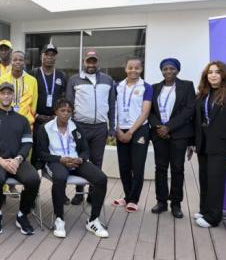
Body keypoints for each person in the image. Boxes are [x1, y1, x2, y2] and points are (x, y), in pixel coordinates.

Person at [37, 98, 108, 238]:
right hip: (55, 161)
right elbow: (42, 153)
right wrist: (60, 159)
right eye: (62, 110)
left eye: (69, 111)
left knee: (101, 178)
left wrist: (80, 159)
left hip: (75, 161)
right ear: (56, 111)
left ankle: (93, 220)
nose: (66, 114)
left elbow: (85, 150)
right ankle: (59, 219)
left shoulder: (76, 127)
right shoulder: (45, 128)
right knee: (60, 177)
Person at [0, 82, 40, 235]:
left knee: (33, 179)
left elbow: (27, 144)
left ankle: (22, 215)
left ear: (13, 96)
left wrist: (17, 160)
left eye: (9, 93)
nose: (6, 96)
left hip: (17, 161)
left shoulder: (22, 120)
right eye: (3, 93)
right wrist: (1, 162)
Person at [192, 61, 226, 228]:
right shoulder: (202, 94)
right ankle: (205, 210)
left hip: (222, 146)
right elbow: (197, 120)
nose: (213, 75)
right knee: (205, 179)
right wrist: (194, 142)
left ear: (224, 75)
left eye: (217, 72)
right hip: (203, 144)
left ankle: (213, 218)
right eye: (210, 72)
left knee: (215, 181)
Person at [65, 50, 116, 205]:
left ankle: (93, 194)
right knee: (79, 159)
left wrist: (112, 127)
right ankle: (79, 193)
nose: (91, 64)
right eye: (88, 61)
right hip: (80, 126)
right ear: (84, 62)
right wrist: (70, 127)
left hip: (100, 127)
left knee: (97, 161)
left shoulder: (108, 80)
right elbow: (69, 104)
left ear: (98, 62)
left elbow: (112, 105)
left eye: (94, 61)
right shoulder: (74, 80)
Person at [148, 58, 195, 218]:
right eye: (165, 69)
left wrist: (169, 127)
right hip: (159, 134)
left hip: (179, 134)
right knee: (160, 168)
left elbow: (189, 110)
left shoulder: (187, 86)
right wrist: (159, 127)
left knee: (177, 168)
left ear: (177, 70)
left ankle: (176, 203)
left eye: (172, 68)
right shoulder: (154, 88)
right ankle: (161, 201)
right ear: (161, 70)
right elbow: (150, 111)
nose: (168, 71)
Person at [113, 57, 153, 213]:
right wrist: (117, 130)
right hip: (120, 129)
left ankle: (134, 199)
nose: (133, 70)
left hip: (139, 130)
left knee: (137, 166)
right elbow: (113, 109)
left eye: (137, 68)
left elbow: (145, 111)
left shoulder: (146, 87)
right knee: (124, 166)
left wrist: (130, 132)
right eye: (130, 67)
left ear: (141, 69)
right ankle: (127, 196)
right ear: (125, 68)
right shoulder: (117, 86)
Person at [32, 43, 67, 169]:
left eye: (52, 55)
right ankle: (34, 185)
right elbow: (28, 98)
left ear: (55, 57)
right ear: (42, 56)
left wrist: (57, 116)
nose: (49, 57)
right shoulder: (33, 73)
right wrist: (36, 115)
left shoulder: (61, 75)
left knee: (53, 153)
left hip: (54, 122)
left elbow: (64, 99)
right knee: (36, 155)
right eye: (47, 54)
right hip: (37, 121)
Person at [0, 50, 38, 129]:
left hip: (25, 124)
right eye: (15, 60)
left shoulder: (32, 81)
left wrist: (30, 119)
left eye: (20, 60)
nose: (18, 62)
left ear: (24, 62)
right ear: (11, 61)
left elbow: (34, 105)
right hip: (5, 123)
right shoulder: (1, 79)